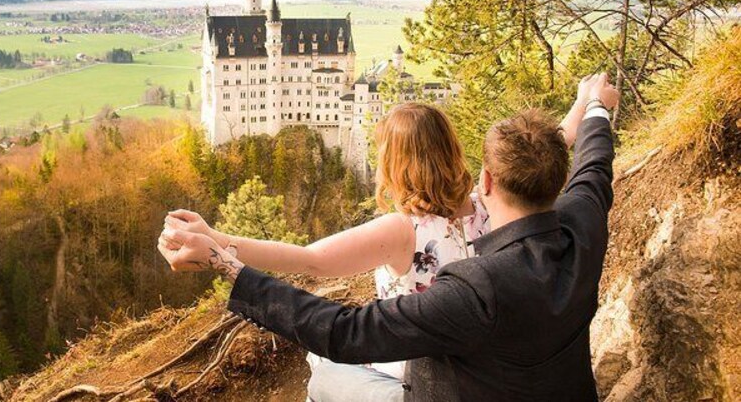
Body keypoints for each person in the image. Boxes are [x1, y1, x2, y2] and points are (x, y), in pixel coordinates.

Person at [159, 73, 618, 401]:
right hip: (532, 370)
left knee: (324, 373)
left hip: (422, 368)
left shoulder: (406, 234)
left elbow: (309, 261)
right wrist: (589, 105)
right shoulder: (546, 218)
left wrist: (220, 250)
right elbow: (570, 163)